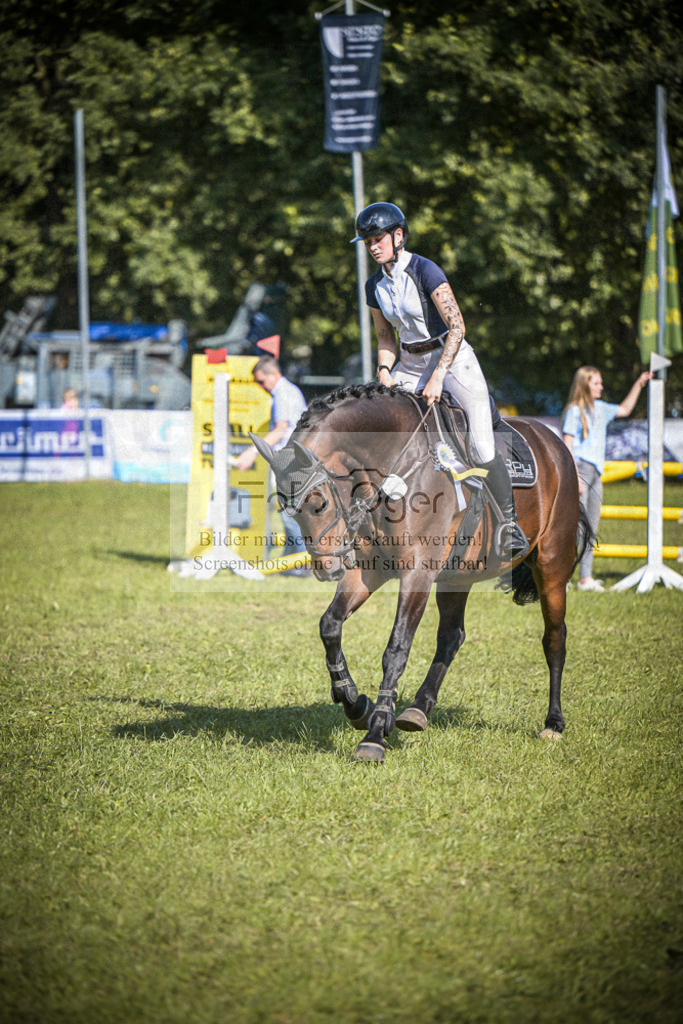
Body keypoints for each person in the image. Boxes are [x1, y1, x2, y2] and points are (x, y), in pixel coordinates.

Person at [351, 201, 528, 559]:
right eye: (368, 241)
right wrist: (384, 372)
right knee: (381, 428)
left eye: (378, 239)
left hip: (453, 359)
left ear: (398, 235)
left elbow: (457, 327)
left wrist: (439, 375)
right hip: (409, 362)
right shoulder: (374, 286)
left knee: (481, 449)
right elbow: (385, 338)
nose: (373, 246)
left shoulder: (425, 270)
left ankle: (509, 524)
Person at [562, 365, 653, 591]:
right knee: (575, 528)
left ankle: (585, 578)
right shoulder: (575, 411)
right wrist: (575, 477)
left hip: (597, 472)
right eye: (596, 383)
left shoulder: (601, 408)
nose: (601, 387)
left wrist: (640, 383)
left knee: (591, 527)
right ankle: (561, 577)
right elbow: (567, 444)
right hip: (580, 470)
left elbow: (625, 409)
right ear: (585, 385)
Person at [234, 356, 308, 563]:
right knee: (290, 513)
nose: (261, 387)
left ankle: (302, 563)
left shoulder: (282, 393)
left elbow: (280, 430)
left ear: (273, 374)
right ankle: (290, 561)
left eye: (261, 381)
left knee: (290, 515)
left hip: (290, 461)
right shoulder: (290, 390)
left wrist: (251, 452)